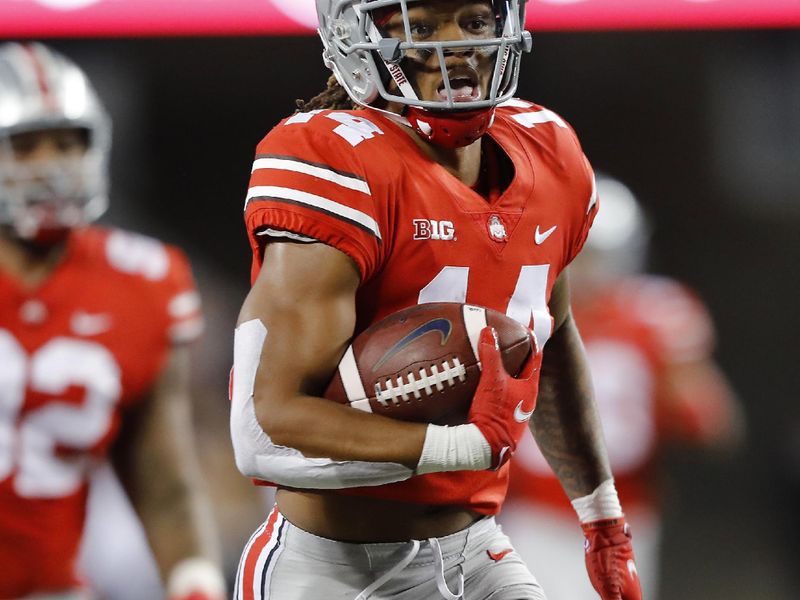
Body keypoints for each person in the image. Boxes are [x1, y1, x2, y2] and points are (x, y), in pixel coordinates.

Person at [230, 2, 642, 599]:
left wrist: (603, 519)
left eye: (476, 20)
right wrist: (465, 446)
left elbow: (549, 342)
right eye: (421, 26)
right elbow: (262, 433)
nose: (459, 47)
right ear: (354, 39)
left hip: (474, 552)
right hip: (331, 570)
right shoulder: (334, 159)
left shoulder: (551, 150)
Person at [0, 42, 226, 600]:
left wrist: (195, 582)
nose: (49, 165)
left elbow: (164, 478)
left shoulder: (144, 279)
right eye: (24, 147)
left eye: (67, 143)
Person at [500, 175, 743, 599]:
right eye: (580, 252)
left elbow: (714, 424)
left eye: (595, 255)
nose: (587, 269)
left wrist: (678, 392)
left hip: (624, 516)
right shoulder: (521, 313)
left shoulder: (655, 316)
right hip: (532, 514)